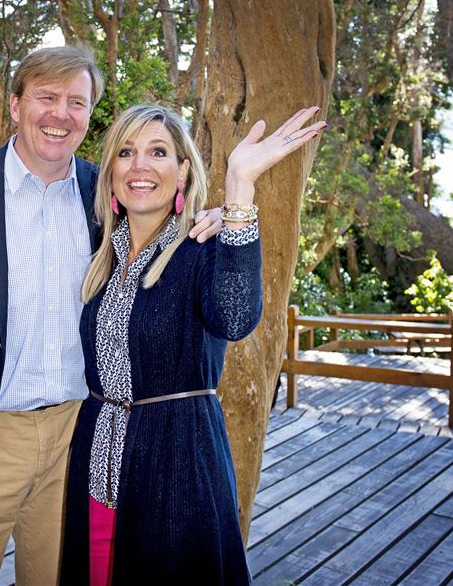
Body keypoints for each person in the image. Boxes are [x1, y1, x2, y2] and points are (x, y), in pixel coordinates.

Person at [0, 45, 222, 586]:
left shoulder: (106, 191)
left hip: (77, 438)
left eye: (77, 102)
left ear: (90, 115)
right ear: (16, 105)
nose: (61, 114)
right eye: (46, 97)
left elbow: (167, 226)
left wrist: (217, 219)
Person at [60, 104, 325, 585]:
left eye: (158, 152)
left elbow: (235, 319)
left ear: (183, 171)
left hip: (177, 467)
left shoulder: (204, 247)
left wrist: (239, 188)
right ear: (111, 172)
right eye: (126, 152)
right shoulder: (102, 254)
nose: (140, 166)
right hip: (98, 464)